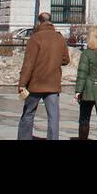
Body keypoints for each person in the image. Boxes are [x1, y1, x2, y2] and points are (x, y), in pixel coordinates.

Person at [17, 12, 70, 140]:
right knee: (53, 117)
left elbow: (28, 64)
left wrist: (22, 84)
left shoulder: (35, 38)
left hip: (36, 83)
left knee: (28, 114)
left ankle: (24, 138)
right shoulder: (60, 38)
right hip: (53, 83)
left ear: (39, 22)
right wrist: (54, 61)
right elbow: (66, 60)